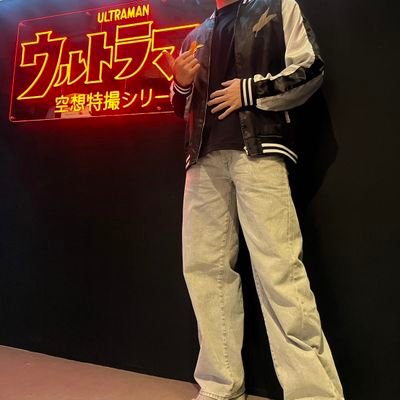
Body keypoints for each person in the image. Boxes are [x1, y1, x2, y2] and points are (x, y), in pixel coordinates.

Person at [166, 0, 345, 399]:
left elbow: (310, 68)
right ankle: (220, 386)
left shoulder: (278, 6)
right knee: (204, 271)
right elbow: (183, 108)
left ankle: (313, 393)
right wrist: (181, 84)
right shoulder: (196, 35)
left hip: (259, 152)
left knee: (279, 270)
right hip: (202, 159)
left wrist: (250, 90)